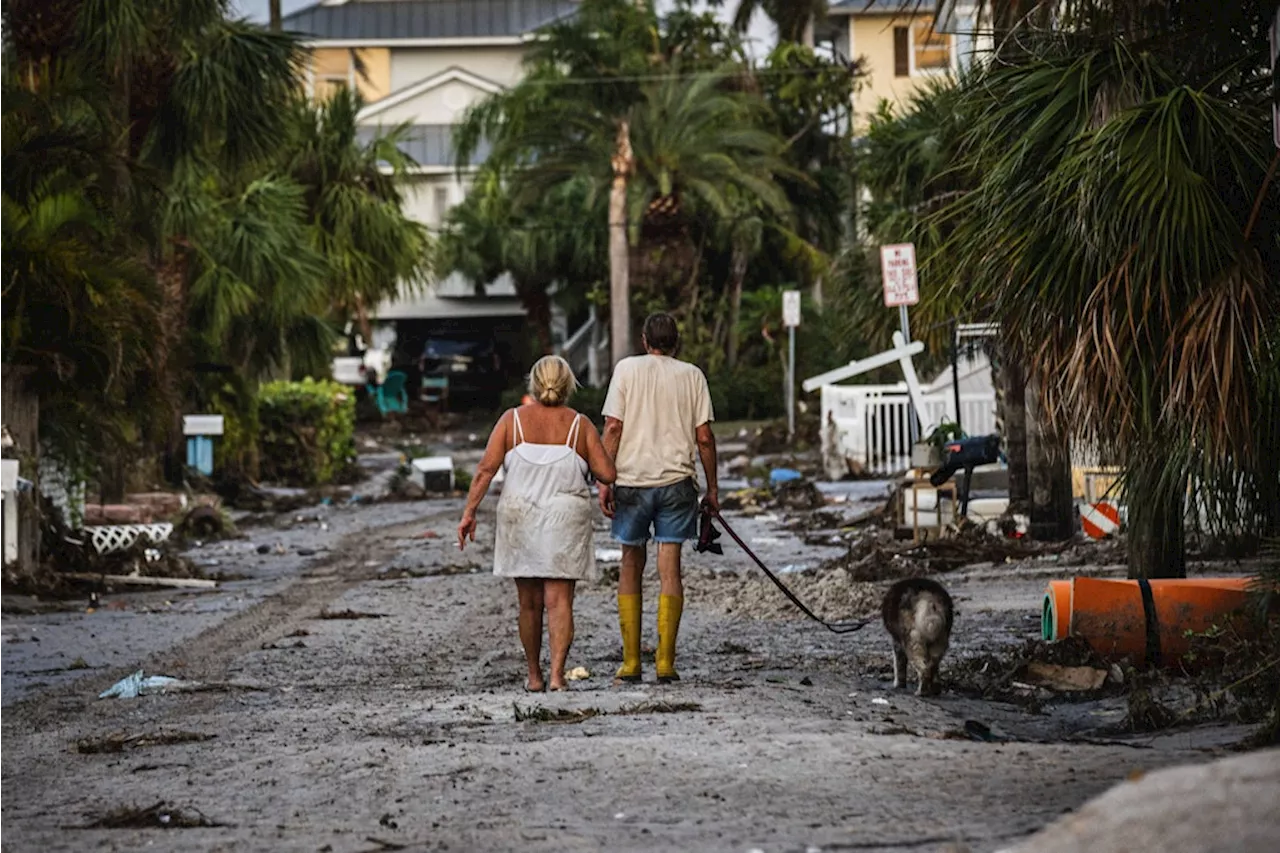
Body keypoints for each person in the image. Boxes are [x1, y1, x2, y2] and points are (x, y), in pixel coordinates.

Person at [458, 356, 615, 692]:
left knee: (528, 603)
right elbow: (607, 474)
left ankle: (534, 676)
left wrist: (469, 512)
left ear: (533, 382)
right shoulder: (579, 425)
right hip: (564, 519)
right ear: (569, 384)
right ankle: (558, 676)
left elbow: (486, 469)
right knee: (560, 602)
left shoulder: (511, 421)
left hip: (520, 517)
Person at [598, 313, 718, 684]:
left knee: (631, 565)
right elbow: (704, 438)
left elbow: (613, 427)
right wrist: (712, 489)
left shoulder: (626, 370)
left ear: (644, 339)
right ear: (676, 342)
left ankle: (631, 663)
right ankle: (665, 663)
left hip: (631, 483)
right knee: (670, 570)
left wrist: (605, 479)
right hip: (677, 483)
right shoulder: (692, 375)